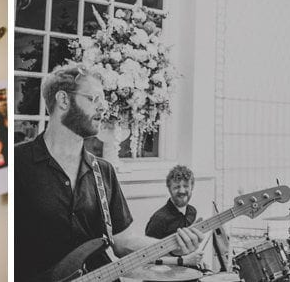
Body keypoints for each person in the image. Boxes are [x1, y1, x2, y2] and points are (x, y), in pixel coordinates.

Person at [15, 64, 204, 281]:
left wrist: (172, 247)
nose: (103, 107)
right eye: (93, 99)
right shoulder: (16, 164)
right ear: (64, 100)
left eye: (103, 100)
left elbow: (123, 243)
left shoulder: (103, 171)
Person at [145, 165, 204, 267]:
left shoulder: (192, 211)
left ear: (192, 187)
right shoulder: (159, 219)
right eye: (177, 187)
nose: (182, 191)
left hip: (188, 271)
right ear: (169, 189)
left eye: (186, 186)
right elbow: (146, 258)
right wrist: (182, 260)